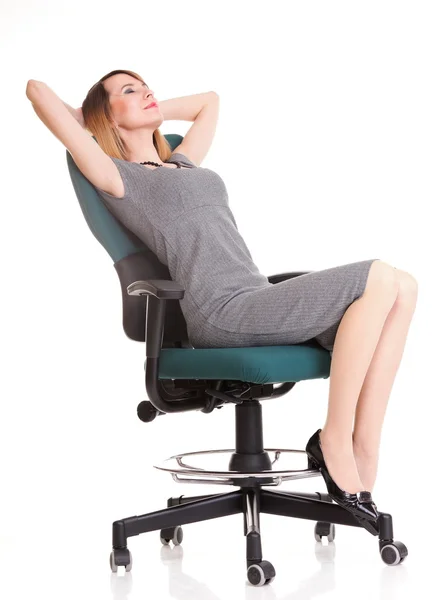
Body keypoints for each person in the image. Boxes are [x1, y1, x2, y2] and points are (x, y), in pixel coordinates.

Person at [27, 69, 418, 525]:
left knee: (402, 287)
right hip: (220, 312)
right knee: (379, 276)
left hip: (256, 296)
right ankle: (335, 441)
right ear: (105, 116)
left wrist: (148, 110)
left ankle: (361, 445)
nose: (146, 91)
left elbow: (209, 101)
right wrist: (84, 120)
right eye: (128, 91)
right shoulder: (119, 178)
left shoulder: (181, 162)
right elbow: (36, 91)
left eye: (145, 84)